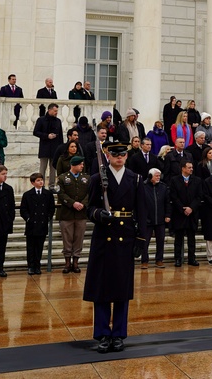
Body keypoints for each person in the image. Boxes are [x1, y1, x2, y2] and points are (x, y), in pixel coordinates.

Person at [83, 143, 139, 353]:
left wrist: (141, 240)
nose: (120, 158)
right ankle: (103, 334)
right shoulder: (98, 178)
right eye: (115, 155)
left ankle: (118, 334)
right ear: (108, 155)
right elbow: (89, 209)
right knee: (102, 289)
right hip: (103, 238)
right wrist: (99, 214)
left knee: (121, 291)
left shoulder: (135, 178)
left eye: (123, 154)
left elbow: (141, 210)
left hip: (125, 238)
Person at [56, 155, 90, 273]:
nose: (82, 166)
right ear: (73, 165)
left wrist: (83, 203)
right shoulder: (62, 178)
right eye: (80, 164)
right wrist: (72, 203)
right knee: (67, 238)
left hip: (81, 214)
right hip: (67, 213)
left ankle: (76, 262)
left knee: (78, 238)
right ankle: (67, 262)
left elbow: (89, 193)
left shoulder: (86, 178)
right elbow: (61, 193)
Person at [19, 172, 55, 275]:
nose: (41, 182)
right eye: (38, 180)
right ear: (33, 182)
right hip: (31, 225)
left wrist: (47, 217)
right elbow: (23, 209)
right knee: (30, 247)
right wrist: (28, 218)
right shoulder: (27, 195)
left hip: (42, 224)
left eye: (42, 180)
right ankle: (30, 266)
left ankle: (37, 265)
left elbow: (51, 208)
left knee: (39, 246)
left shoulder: (48, 194)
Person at [169, 160, 202, 267]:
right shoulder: (174, 180)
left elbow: (199, 196)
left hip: (192, 213)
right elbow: (174, 196)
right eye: (189, 167)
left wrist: (191, 208)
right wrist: (183, 208)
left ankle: (192, 258)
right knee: (178, 238)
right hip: (179, 213)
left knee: (191, 238)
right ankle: (178, 259)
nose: (191, 169)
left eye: (192, 167)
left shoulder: (197, 180)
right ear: (183, 168)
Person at [139, 168, 170, 269]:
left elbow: (167, 203)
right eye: (156, 175)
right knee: (145, 241)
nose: (158, 177)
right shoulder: (143, 187)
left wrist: (167, 215)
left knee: (160, 241)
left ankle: (159, 260)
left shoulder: (163, 187)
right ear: (150, 176)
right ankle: (144, 261)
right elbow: (139, 204)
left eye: (159, 175)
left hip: (160, 219)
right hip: (147, 220)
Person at [33, 103, 63, 187]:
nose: (56, 112)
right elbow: (35, 132)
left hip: (55, 147)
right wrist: (47, 136)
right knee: (43, 167)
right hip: (44, 147)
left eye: (57, 111)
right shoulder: (41, 120)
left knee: (53, 168)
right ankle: (40, 184)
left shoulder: (58, 121)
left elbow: (60, 135)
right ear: (49, 110)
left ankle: (52, 185)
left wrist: (61, 149)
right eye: (55, 111)